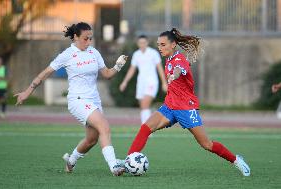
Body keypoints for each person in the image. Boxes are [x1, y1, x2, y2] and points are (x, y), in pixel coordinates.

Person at [125, 28, 251, 177]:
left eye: (163, 44)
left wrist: (174, 75)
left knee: (206, 144)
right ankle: (128, 162)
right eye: (158, 45)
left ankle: (236, 160)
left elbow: (179, 69)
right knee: (145, 128)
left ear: (173, 45)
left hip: (185, 108)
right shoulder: (169, 59)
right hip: (170, 106)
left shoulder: (179, 60)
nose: (160, 48)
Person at [14, 22, 128, 176]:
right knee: (104, 127)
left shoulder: (94, 52)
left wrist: (118, 66)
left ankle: (71, 160)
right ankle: (114, 166)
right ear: (75, 37)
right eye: (85, 39)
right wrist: (28, 91)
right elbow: (45, 73)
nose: (88, 42)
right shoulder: (67, 55)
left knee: (91, 140)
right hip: (77, 100)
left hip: (94, 100)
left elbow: (107, 74)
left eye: (90, 39)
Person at [119, 35, 167, 124]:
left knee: (145, 104)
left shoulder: (153, 53)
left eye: (144, 42)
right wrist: (124, 82)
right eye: (140, 43)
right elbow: (132, 69)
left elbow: (159, 68)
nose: (142, 44)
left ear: (147, 43)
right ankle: (148, 127)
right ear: (138, 44)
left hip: (152, 82)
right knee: (143, 107)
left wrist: (164, 83)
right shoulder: (136, 54)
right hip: (141, 83)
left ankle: (146, 129)